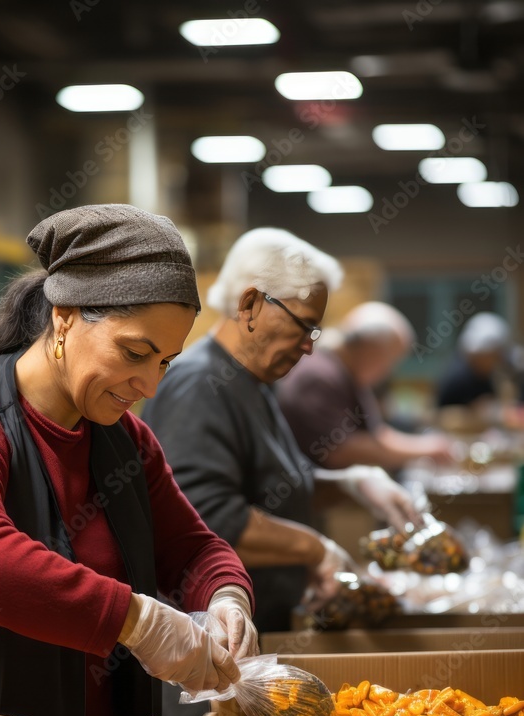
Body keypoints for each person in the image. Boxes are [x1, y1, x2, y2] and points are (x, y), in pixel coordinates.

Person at [0, 204, 258, 716]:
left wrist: (226, 599)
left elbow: (192, 548)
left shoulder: (125, 441)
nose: (147, 383)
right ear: (66, 316)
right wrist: (139, 621)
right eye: (134, 353)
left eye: (165, 362)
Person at [142, 228, 421, 633]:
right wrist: (314, 549)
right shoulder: (200, 385)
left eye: (315, 331)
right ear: (251, 304)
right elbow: (206, 518)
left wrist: (350, 483)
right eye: (303, 326)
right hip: (214, 643)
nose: (309, 347)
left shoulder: (252, 384)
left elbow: (277, 484)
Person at [277, 301, 454, 470]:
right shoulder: (319, 375)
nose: (388, 371)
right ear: (370, 349)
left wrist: (428, 447)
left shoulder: (347, 373)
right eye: (390, 360)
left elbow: (377, 434)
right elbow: (338, 450)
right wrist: (424, 449)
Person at [436, 312, 511, 408]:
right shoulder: (457, 378)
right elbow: (439, 414)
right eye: (494, 355)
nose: (497, 361)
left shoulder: (488, 376)